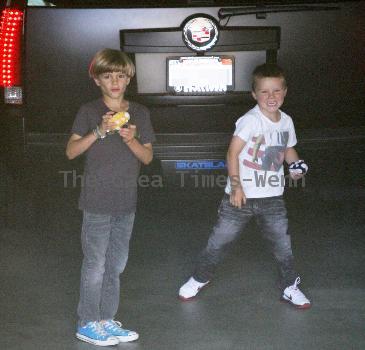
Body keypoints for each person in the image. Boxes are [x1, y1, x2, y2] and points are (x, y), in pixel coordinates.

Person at [178, 63, 311, 309]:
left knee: (282, 244)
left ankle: (289, 286)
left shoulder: (286, 121)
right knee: (220, 240)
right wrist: (237, 187)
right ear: (254, 94)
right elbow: (232, 153)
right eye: (264, 92)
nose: (271, 97)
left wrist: (296, 165)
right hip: (240, 197)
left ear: (285, 92)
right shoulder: (250, 120)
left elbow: (288, 148)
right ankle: (200, 277)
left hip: (272, 197)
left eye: (276, 91)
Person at [66, 48, 155, 346]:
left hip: (125, 203)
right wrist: (100, 130)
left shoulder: (140, 113)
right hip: (96, 203)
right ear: (97, 80)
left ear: (128, 78)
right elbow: (71, 151)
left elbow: (147, 158)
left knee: (116, 265)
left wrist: (132, 140)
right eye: (107, 76)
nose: (114, 81)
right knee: (95, 265)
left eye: (120, 75)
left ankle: (106, 319)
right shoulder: (89, 111)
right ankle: (87, 322)